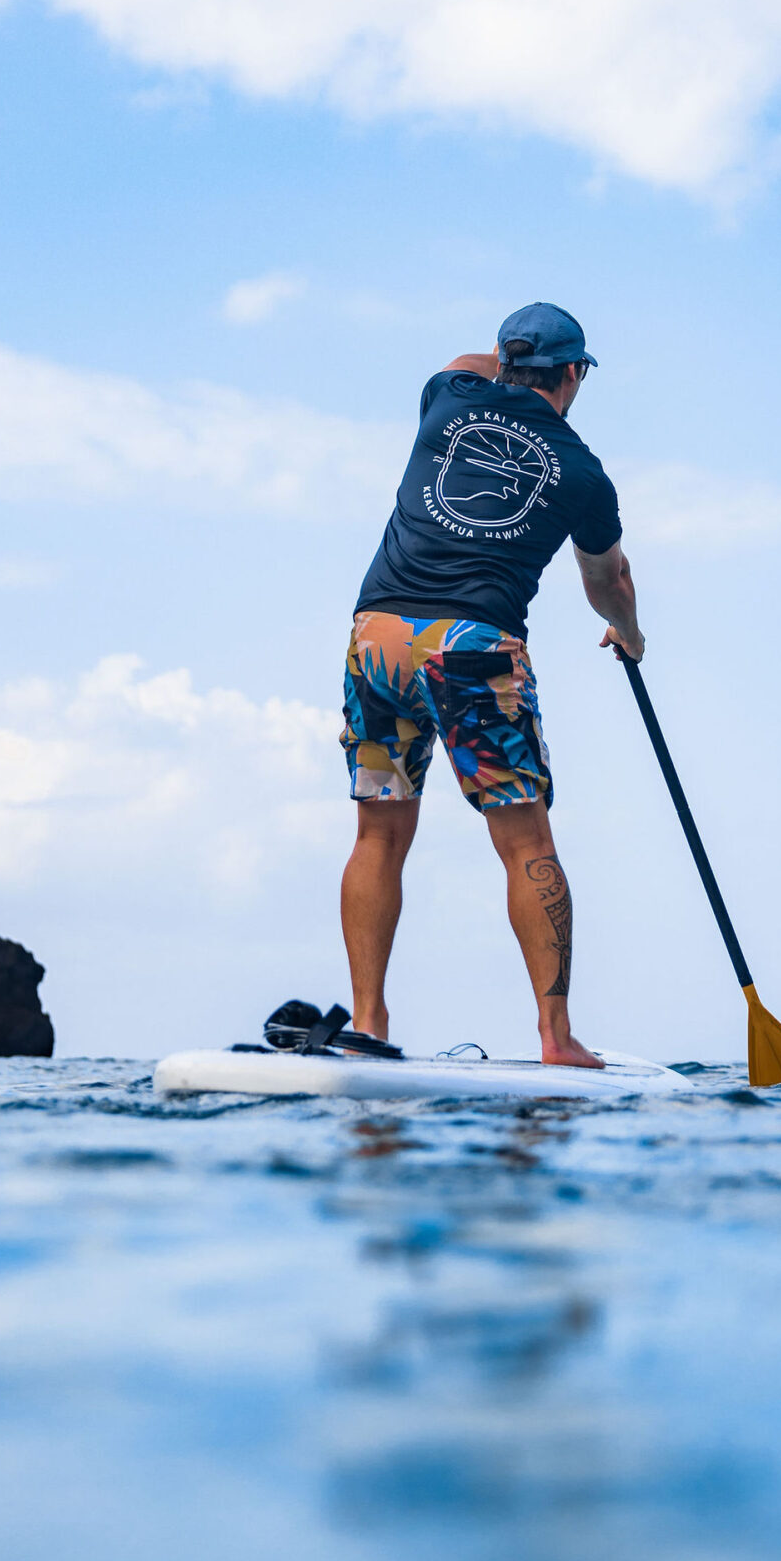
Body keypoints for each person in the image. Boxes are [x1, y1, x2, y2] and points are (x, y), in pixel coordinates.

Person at [338, 302, 644, 1067]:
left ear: (507, 362)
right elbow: (608, 581)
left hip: (376, 639)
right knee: (525, 842)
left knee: (378, 833)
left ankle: (367, 1025)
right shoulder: (580, 473)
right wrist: (630, 637)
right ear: (574, 375)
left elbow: (462, 359)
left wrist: (503, 363)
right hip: (472, 647)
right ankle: (555, 1037)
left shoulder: (449, 397)